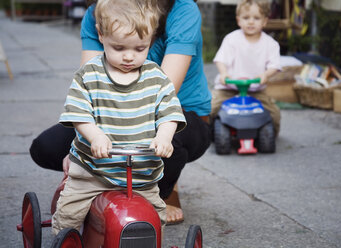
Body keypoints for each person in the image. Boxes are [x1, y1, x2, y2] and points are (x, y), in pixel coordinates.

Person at [30, 0, 211, 225]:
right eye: (119, 49)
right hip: (110, 112)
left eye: (139, 48)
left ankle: (162, 189)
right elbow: (89, 90)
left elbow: (164, 97)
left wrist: (161, 136)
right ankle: (99, 182)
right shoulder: (99, 11)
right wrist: (80, 146)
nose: (128, 57)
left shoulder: (181, 10)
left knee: (169, 139)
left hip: (174, 111)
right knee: (46, 147)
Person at [210, 0, 281, 135]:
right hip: (229, 89)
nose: (251, 22)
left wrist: (265, 75)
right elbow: (221, 60)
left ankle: (270, 135)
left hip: (255, 90)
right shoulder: (231, 39)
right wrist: (224, 74)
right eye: (246, 18)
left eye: (256, 18)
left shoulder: (270, 44)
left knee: (274, 113)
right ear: (238, 20)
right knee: (211, 108)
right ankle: (209, 132)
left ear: (265, 21)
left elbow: (274, 65)